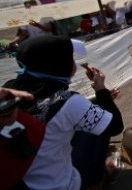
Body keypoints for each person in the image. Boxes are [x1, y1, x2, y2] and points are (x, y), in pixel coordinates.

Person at [3, 36, 124, 189]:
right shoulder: (68, 101)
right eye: (70, 58)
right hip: (59, 185)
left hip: (22, 179)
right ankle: (95, 180)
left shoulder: (8, 92)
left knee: (93, 117)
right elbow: (115, 126)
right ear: (61, 65)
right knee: (100, 123)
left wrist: (96, 101)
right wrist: (101, 89)